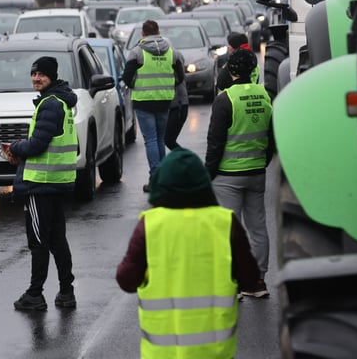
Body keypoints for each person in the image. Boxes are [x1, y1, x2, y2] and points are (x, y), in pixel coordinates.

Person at [116, 147, 261, 358]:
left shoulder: (150, 226)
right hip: (214, 353)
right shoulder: (225, 223)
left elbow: (126, 280)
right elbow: (250, 279)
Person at [2, 56, 78, 312]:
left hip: (41, 184)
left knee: (38, 241)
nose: (36, 78)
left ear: (52, 76)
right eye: (33, 74)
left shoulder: (50, 105)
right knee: (58, 240)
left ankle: (35, 294)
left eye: (42, 74)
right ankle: (67, 292)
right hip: (58, 181)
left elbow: (37, 145)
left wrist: (13, 147)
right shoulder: (62, 102)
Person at [205, 47, 274, 298]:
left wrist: (207, 175)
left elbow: (215, 144)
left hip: (228, 176)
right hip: (256, 172)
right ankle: (257, 281)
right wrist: (262, 163)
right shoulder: (265, 95)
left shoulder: (225, 100)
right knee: (258, 228)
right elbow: (271, 137)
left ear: (230, 71)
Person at [122, 19, 185, 193]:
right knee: (159, 138)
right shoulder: (171, 52)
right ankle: (162, 177)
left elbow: (126, 77)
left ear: (142, 34)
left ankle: (155, 178)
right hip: (164, 100)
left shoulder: (137, 52)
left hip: (143, 101)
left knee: (150, 139)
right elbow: (180, 76)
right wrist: (167, 85)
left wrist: (137, 84)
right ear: (158, 31)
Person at [164, 49, 188, 151]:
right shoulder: (176, 56)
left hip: (178, 105)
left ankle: (187, 160)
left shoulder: (174, 61)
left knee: (169, 139)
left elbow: (179, 79)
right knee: (168, 139)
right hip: (178, 105)